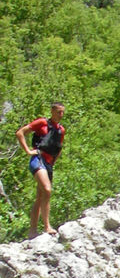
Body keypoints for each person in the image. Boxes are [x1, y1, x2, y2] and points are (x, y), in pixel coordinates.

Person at [15, 102, 66, 238]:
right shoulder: (42, 122)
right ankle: (47, 226)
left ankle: (32, 231)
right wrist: (27, 151)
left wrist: (53, 162)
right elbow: (20, 132)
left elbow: (59, 148)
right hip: (38, 159)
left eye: (62, 112)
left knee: (40, 196)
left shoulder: (61, 130)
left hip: (49, 164)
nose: (60, 115)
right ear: (52, 111)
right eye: (58, 112)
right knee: (47, 190)